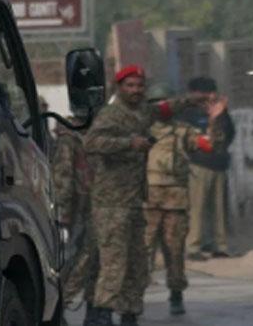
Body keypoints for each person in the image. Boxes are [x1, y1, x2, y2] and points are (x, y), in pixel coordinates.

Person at [83, 65, 201, 326]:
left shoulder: (142, 112)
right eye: (130, 86)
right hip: (111, 204)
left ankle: (129, 312)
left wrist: (192, 100)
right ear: (119, 87)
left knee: (138, 264)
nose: (136, 91)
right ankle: (101, 313)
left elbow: (163, 109)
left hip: (135, 202)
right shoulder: (111, 115)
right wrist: (129, 143)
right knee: (114, 262)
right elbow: (91, 143)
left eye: (139, 86)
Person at [143, 83, 229, 316]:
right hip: (146, 201)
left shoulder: (182, 130)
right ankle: (134, 299)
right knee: (142, 252)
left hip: (175, 202)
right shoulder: (140, 129)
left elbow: (210, 145)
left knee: (174, 250)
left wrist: (214, 120)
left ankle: (176, 293)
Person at [178, 77, 235, 260]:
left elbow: (229, 134)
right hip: (198, 165)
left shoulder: (221, 112)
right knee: (197, 208)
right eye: (207, 92)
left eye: (212, 92)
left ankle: (220, 245)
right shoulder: (188, 113)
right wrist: (212, 119)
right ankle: (193, 246)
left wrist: (220, 116)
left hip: (219, 164)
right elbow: (192, 139)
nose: (211, 96)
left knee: (219, 209)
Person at [52, 108, 99, 325]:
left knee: (95, 260)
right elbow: (63, 178)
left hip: (95, 208)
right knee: (77, 261)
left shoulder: (92, 133)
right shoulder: (70, 138)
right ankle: (58, 307)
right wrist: (64, 215)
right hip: (78, 209)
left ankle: (94, 310)